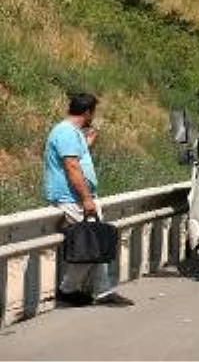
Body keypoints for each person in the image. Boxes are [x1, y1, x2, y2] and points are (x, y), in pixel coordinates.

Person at [43, 91, 133, 307]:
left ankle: (102, 291)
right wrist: (85, 199)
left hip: (79, 197)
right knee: (89, 244)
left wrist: (87, 144)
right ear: (87, 112)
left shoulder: (73, 133)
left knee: (96, 242)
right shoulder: (65, 132)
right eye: (93, 112)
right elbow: (71, 166)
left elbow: (77, 160)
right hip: (72, 198)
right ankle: (68, 289)